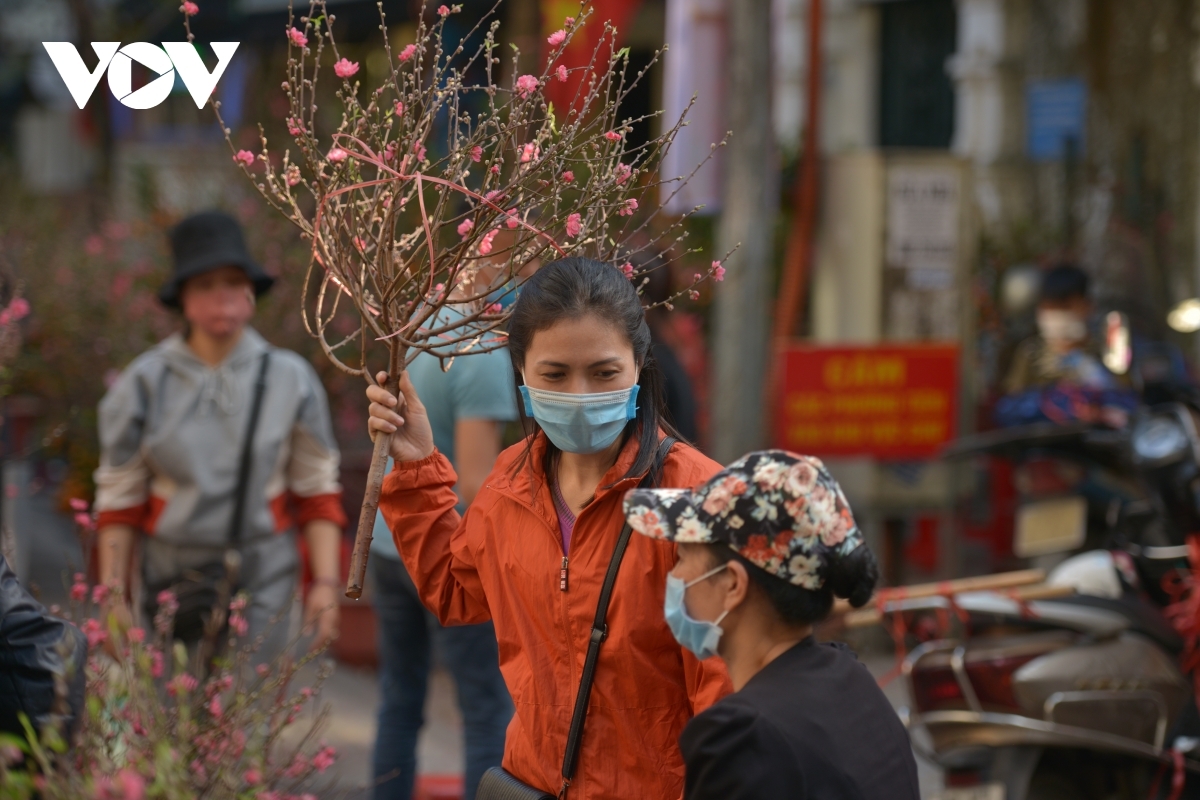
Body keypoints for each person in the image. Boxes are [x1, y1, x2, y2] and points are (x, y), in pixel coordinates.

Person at [366, 257, 732, 799]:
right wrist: (418, 466)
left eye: (604, 373)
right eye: (555, 374)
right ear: (522, 373)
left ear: (639, 365)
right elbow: (454, 588)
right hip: (533, 782)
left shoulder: (698, 500)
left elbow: (727, 698)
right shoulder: (509, 483)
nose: (581, 395)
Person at [93, 211, 345, 657]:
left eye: (232, 282)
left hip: (262, 571)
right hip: (171, 573)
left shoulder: (291, 378)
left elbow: (317, 491)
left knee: (247, 711)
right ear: (182, 297)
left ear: (251, 291)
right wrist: (114, 597)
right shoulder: (145, 383)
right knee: (174, 714)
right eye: (205, 285)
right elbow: (119, 500)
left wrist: (325, 585)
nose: (221, 297)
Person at [622, 450, 921, 800]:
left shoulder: (744, 738)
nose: (675, 576)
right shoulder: (854, 684)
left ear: (733, 584)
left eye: (684, 558)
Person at [369, 277, 516, 800]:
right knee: (484, 712)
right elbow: (475, 482)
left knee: (399, 698)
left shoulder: (411, 330)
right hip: (448, 551)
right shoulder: (478, 352)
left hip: (392, 541)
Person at [1004, 263, 1121, 393]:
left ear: (1088, 306)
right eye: (1051, 308)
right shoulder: (1030, 354)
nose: (1058, 316)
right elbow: (1014, 400)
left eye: (1066, 307)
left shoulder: (1108, 351)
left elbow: (1126, 394)